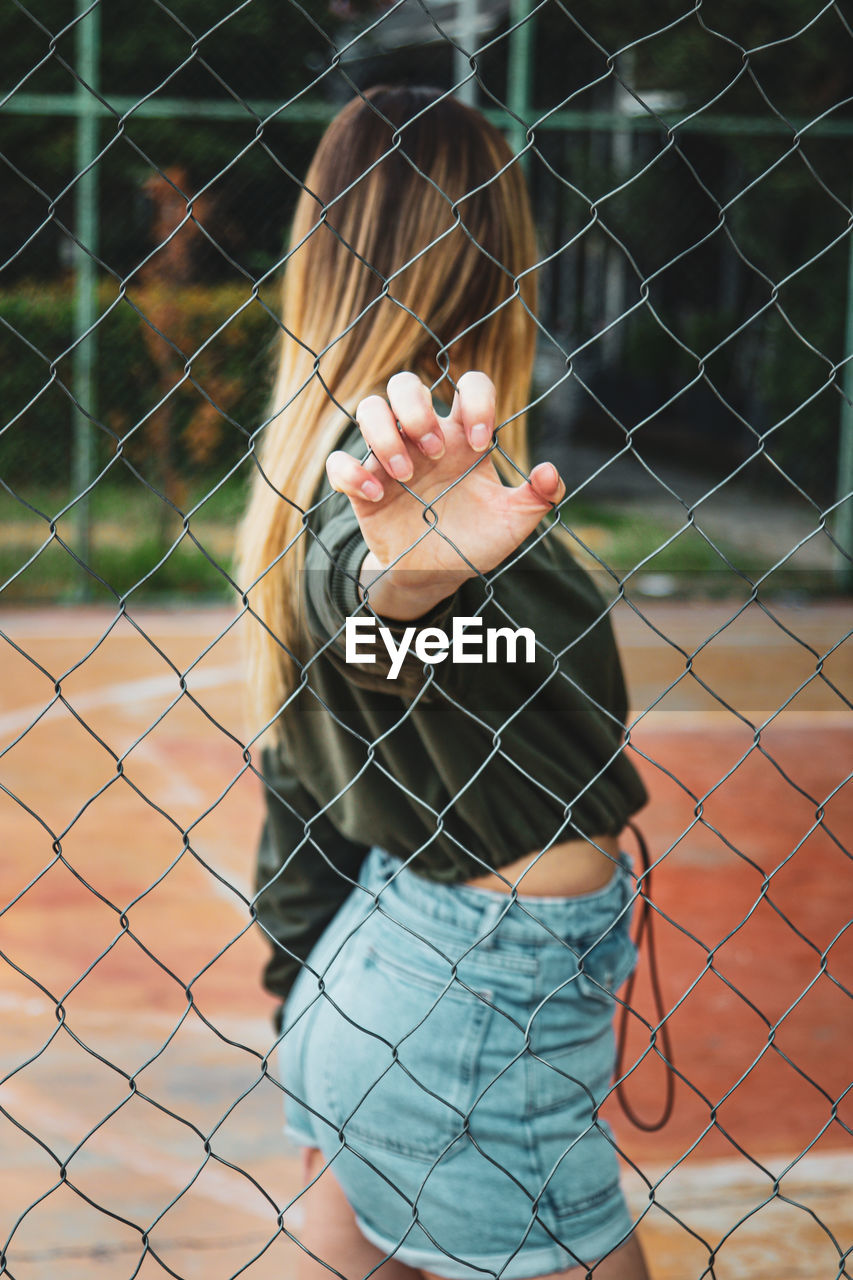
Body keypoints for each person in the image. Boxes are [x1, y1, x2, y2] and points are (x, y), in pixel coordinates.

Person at [238, 85, 651, 1280]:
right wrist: (394, 590)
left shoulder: (389, 469)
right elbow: (363, 609)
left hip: (378, 982)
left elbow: (305, 785)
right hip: (474, 1015)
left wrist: (307, 1018)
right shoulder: (382, 486)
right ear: (495, 246)